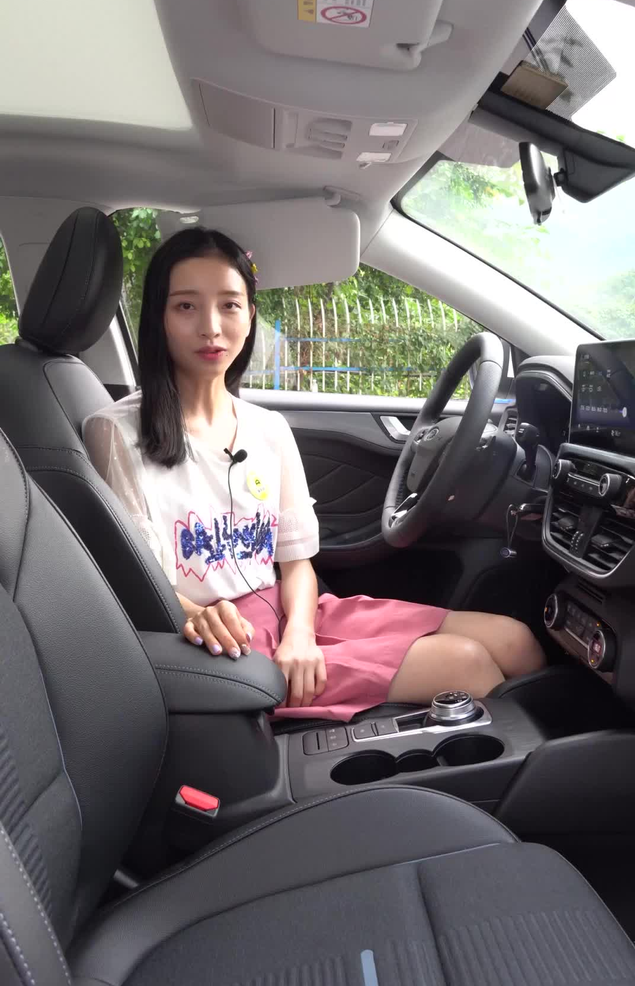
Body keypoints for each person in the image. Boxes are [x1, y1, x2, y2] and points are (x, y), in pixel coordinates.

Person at [84, 227, 545, 721]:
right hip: (220, 642)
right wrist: (201, 616)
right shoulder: (116, 433)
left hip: (296, 612)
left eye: (229, 305)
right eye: (186, 306)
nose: (211, 327)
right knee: (465, 663)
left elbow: (297, 563)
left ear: (250, 315)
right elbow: (136, 581)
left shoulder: (269, 429)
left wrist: (300, 635)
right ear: (159, 317)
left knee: (514, 640)